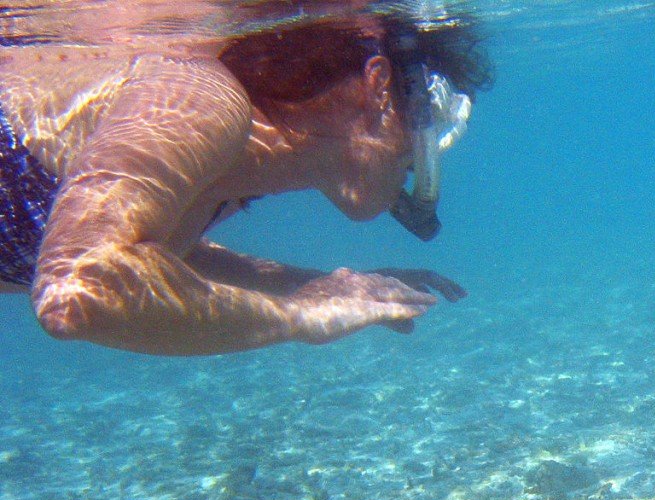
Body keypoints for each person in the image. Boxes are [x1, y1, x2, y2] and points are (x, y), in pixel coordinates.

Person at [0, 1, 492, 355]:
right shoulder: (203, 98)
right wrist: (300, 318)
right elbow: (80, 288)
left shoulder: (238, 169)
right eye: (435, 116)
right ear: (379, 86)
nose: (427, 154)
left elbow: (156, 253)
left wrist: (317, 288)